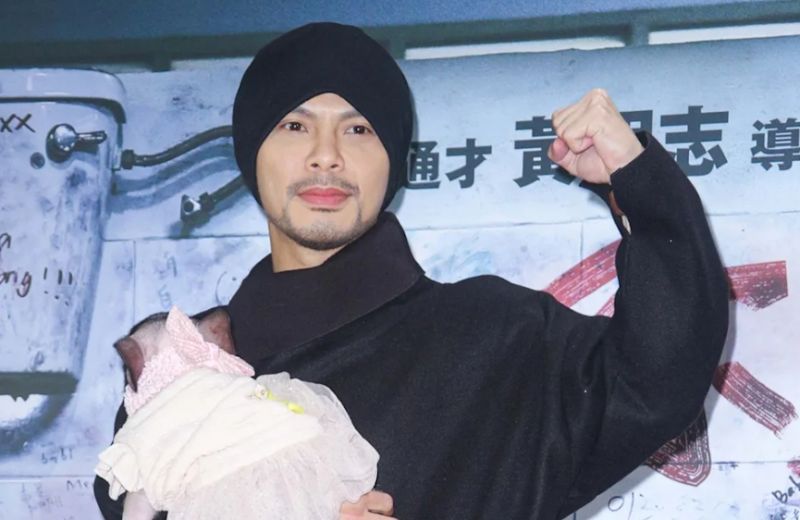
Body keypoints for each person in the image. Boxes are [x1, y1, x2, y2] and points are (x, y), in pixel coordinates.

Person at [95, 22, 728, 520]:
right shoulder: (183, 369)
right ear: (252, 154)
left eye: (358, 129)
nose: (325, 156)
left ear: (392, 161)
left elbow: (658, 377)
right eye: (293, 125)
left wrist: (638, 184)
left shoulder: (496, 338)